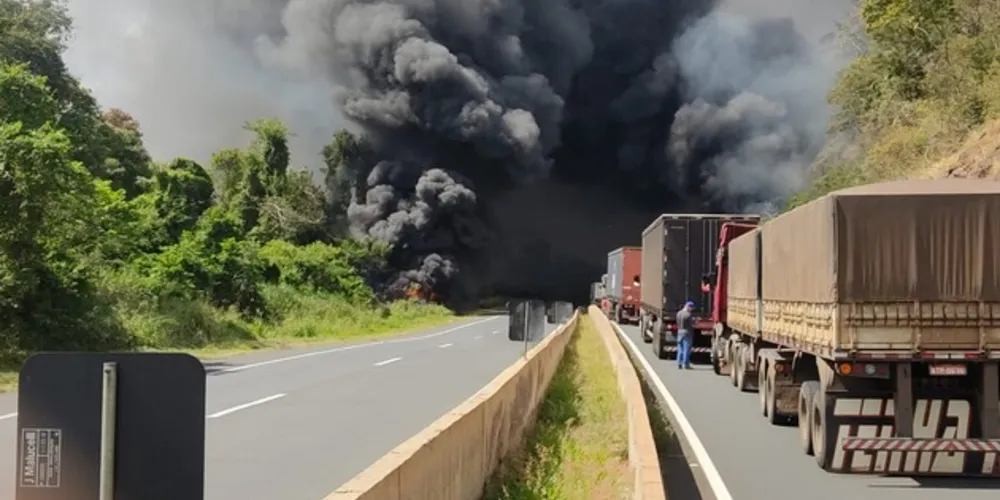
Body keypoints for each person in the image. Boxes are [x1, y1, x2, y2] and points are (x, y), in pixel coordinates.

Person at [676, 301, 695, 370]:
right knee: (686, 349)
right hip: (687, 333)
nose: (691, 309)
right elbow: (691, 324)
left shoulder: (678, 313)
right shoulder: (688, 315)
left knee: (680, 348)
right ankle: (685, 364)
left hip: (680, 332)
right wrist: (695, 322)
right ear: (688, 307)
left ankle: (679, 363)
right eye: (691, 308)